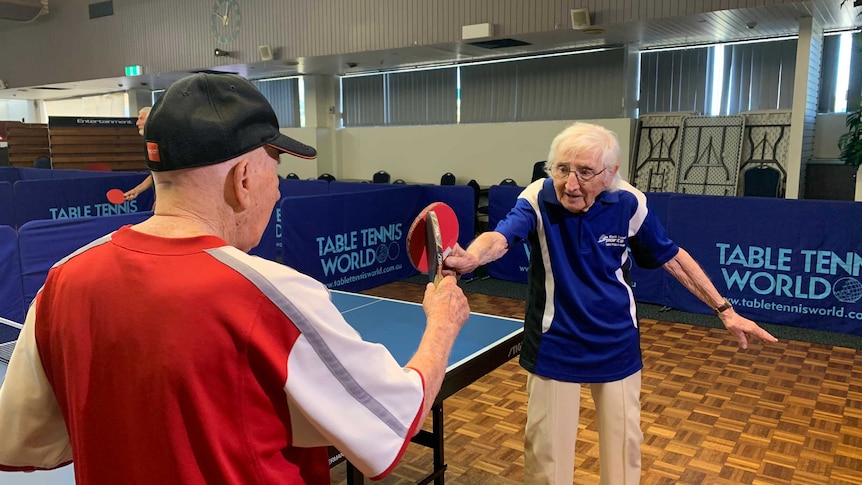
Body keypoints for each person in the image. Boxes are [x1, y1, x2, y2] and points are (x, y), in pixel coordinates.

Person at [0, 73, 470, 484]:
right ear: (243, 178)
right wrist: (442, 325)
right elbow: (391, 426)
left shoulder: (62, 281)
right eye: (276, 170)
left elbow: (19, 442)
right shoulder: (275, 296)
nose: (279, 186)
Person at [444, 122, 777, 485]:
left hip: (616, 344)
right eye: (562, 169)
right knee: (546, 459)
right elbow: (499, 238)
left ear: (610, 173)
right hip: (556, 345)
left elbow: (672, 256)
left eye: (585, 172)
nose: (571, 184)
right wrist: (472, 258)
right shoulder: (538, 197)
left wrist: (724, 311)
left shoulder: (628, 201)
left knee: (624, 453)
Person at [124, 106, 154, 201]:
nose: (137, 123)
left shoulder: (165, 142)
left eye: (141, 119)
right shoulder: (149, 142)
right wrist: (137, 190)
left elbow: (169, 174)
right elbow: (157, 173)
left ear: (152, 119)